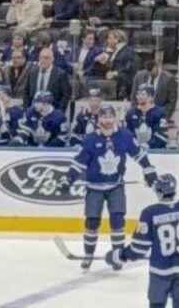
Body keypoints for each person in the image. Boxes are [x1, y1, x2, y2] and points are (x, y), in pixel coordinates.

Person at [67, 104, 161, 270]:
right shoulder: (90, 139)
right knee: (92, 222)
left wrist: (148, 169)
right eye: (104, 117)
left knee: (117, 221)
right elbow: (79, 162)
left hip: (116, 186)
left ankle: (117, 255)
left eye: (110, 117)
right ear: (99, 119)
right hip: (95, 187)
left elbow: (138, 154)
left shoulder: (124, 136)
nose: (107, 120)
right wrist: (68, 179)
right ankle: (89, 254)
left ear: (115, 118)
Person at [107, 173, 179, 307]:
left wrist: (119, 256)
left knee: (157, 304)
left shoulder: (149, 213)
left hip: (161, 271)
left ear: (159, 192)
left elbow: (139, 249)